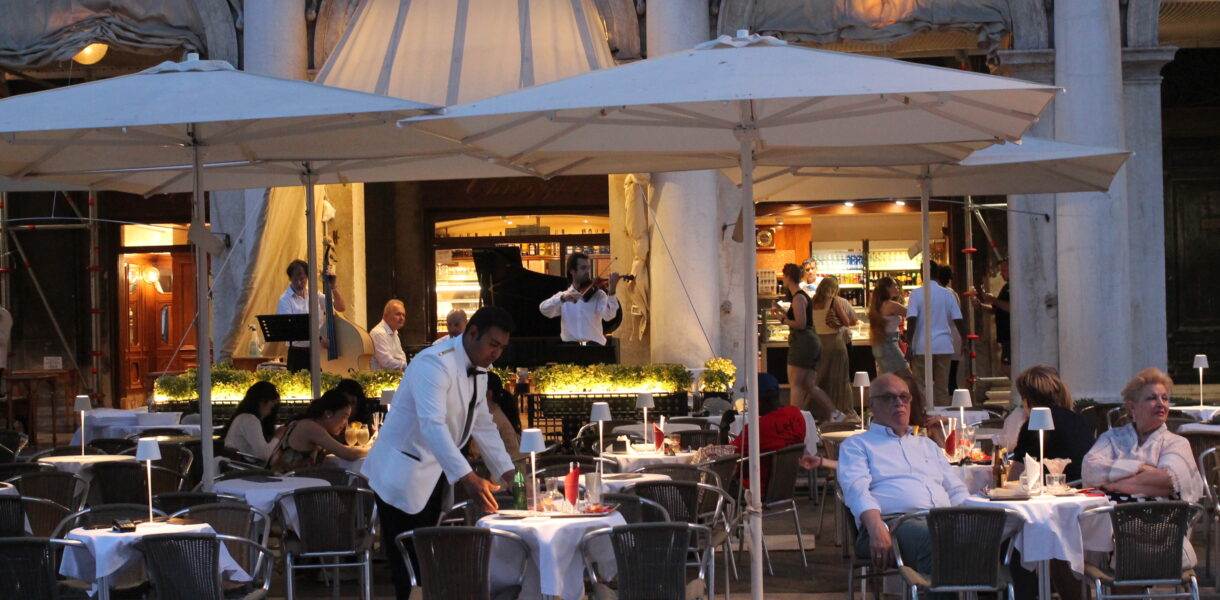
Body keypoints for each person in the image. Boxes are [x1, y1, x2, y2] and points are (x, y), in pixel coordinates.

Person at [363, 306, 518, 599]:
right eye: (493, 344)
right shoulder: (434, 363)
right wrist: (469, 478)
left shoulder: (480, 369)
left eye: (502, 348)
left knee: (427, 564)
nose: (496, 353)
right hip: (400, 475)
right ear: (472, 333)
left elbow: (482, 424)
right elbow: (432, 426)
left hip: (434, 476)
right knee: (409, 569)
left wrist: (509, 472)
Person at [838, 373, 968, 585]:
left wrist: (976, 520)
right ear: (872, 405)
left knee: (998, 535)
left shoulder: (927, 445)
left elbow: (956, 490)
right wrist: (877, 528)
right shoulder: (858, 445)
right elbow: (857, 491)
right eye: (889, 397)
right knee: (936, 540)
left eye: (904, 397)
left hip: (943, 519)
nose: (899, 402)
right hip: (893, 523)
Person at [1082, 367, 1203, 568]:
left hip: (1163, 537)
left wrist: (1114, 484)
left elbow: (1167, 481)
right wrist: (1142, 468)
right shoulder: (1112, 438)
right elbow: (1090, 469)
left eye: (1165, 398)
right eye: (1152, 398)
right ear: (1132, 407)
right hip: (1114, 535)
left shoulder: (1176, 443)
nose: (1161, 403)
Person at [1005, 366, 1094, 600]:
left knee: (1009, 532)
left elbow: (1015, 479)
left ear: (1027, 397)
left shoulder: (1035, 423)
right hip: (1084, 501)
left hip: (1055, 508)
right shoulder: (1078, 419)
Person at [770, 263, 842, 422]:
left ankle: (794, 421)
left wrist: (781, 319)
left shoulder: (798, 297)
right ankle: (835, 414)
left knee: (796, 384)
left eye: (784, 277)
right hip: (811, 342)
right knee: (809, 385)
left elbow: (801, 324)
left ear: (788, 277)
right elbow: (800, 318)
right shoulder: (801, 296)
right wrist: (781, 311)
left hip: (802, 343)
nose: (783, 281)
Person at [730, 372, 807, 496]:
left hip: (754, 489)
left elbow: (727, 455)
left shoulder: (756, 429)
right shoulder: (796, 414)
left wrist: (724, 428)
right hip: (785, 487)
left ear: (759, 399)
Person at [906, 261, 967, 406]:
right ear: (937, 273)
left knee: (921, 384)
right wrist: (964, 340)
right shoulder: (947, 294)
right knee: (942, 386)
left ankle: (924, 412)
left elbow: (912, 319)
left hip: (921, 345)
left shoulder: (916, 294)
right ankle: (942, 414)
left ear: (921, 274)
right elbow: (958, 319)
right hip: (944, 345)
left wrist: (909, 344)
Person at [267, 389, 368, 472]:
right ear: (328, 413)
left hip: (290, 483)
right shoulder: (310, 427)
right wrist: (372, 451)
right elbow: (348, 454)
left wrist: (365, 447)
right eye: (345, 417)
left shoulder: (307, 424)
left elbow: (340, 448)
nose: (346, 423)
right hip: (283, 485)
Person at [276, 259, 346, 372]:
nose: (299, 283)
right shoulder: (285, 299)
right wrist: (319, 338)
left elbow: (341, 307)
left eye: (302, 279)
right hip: (298, 352)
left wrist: (333, 287)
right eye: (295, 279)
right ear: (290, 279)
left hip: (318, 351)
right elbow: (291, 330)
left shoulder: (314, 293)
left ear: (308, 277)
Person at [538, 252, 619, 346]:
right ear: (572, 271)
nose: (587, 272)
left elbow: (609, 316)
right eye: (583, 268)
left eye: (588, 268)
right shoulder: (563, 296)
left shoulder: (598, 294)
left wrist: (612, 292)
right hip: (570, 348)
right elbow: (544, 309)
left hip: (594, 347)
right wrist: (562, 299)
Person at [811, 276, 857, 417]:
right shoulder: (834, 301)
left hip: (819, 344)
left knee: (820, 378)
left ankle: (820, 411)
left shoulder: (813, 302)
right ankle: (843, 410)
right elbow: (847, 322)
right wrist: (838, 320)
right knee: (840, 379)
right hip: (835, 343)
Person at [221, 381, 281, 463]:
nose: (270, 412)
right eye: (272, 406)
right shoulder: (249, 420)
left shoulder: (242, 418)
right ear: (262, 401)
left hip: (239, 466)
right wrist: (278, 436)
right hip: (246, 468)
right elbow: (265, 455)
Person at [470, 372, 525, 461]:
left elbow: (475, 451)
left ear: (489, 393)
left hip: (508, 467)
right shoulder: (499, 411)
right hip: (514, 465)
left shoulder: (491, 417)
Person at [978, 260, 1011, 377]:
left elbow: (1011, 307)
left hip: (1011, 335)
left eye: (1004, 270)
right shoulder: (1006, 287)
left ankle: (1019, 387)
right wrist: (981, 305)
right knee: (1005, 368)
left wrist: (993, 300)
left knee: (1007, 368)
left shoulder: (1014, 287)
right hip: (1004, 335)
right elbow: (997, 309)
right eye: (1001, 271)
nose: (1001, 274)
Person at [935, 266, 962, 397]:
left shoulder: (942, 294)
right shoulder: (952, 293)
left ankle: (949, 403)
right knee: (952, 375)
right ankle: (953, 402)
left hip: (946, 337)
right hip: (954, 335)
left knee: (945, 376)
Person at [370, 299, 407, 370]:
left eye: (403, 315)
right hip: (380, 376)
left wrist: (404, 364)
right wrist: (406, 365)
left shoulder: (394, 332)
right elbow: (386, 363)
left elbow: (402, 356)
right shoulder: (379, 333)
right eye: (398, 314)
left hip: (393, 374)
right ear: (385, 316)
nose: (402, 318)